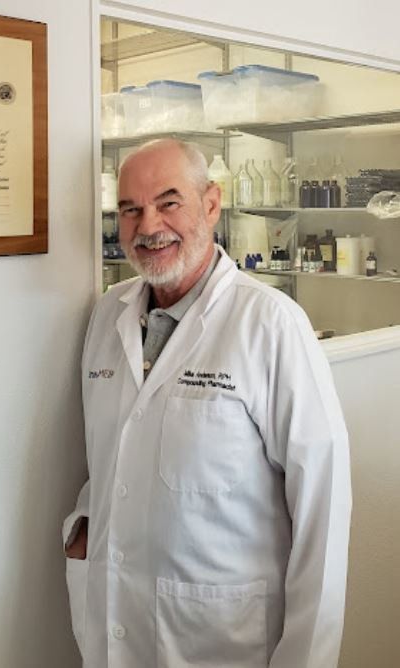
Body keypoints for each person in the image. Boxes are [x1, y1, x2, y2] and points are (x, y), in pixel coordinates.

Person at [63, 139, 352, 668]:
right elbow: (110, 453)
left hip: (223, 638)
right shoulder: (108, 315)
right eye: (130, 209)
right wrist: (85, 525)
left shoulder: (270, 323)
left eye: (168, 202)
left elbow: (322, 507)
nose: (148, 226)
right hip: (114, 625)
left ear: (211, 204)